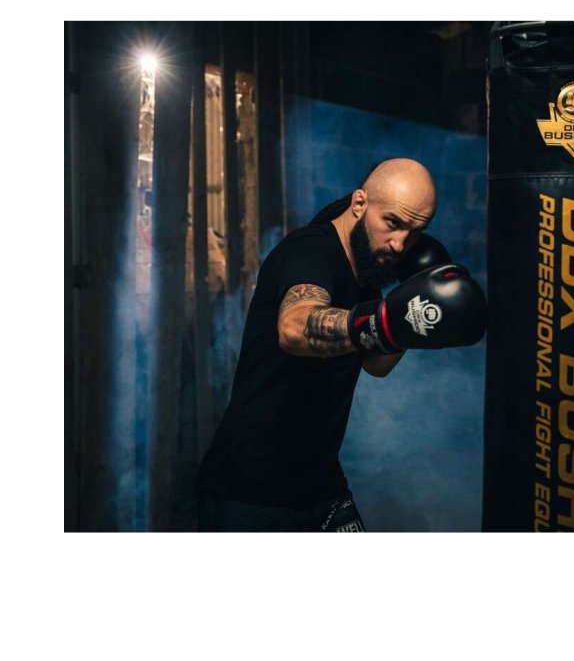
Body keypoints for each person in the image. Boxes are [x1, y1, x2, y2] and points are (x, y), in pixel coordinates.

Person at [195, 158, 486, 531]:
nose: (400, 244)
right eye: (392, 223)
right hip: (251, 489)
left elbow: (376, 364)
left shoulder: (367, 270)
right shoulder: (310, 252)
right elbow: (294, 328)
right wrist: (385, 321)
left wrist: (416, 311)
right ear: (360, 202)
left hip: (319, 481)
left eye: (415, 232)